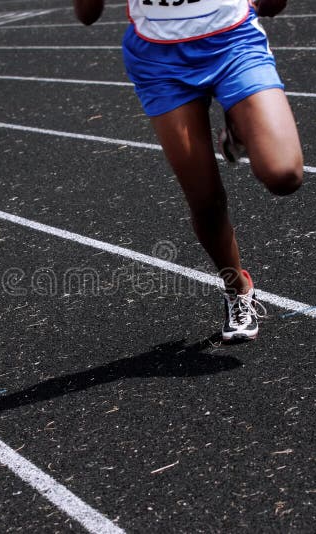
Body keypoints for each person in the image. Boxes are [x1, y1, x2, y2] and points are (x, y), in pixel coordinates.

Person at [73, 0, 303, 341]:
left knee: (284, 174)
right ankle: (237, 289)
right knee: (206, 200)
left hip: (232, 41)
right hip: (158, 60)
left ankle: (241, 125)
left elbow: (273, 5)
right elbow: (87, 14)